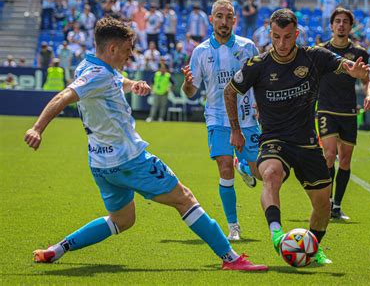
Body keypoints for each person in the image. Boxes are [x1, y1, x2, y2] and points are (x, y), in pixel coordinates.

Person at [24, 17, 267, 271]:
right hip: (131, 160)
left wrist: (134, 85)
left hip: (100, 164)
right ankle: (231, 258)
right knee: (185, 199)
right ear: (113, 49)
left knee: (122, 219)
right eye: (128, 51)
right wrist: (37, 128)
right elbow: (64, 96)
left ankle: (57, 249)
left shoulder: (90, 65)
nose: (130, 56)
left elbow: (116, 80)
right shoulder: (97, 75)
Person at [223, 9, 370, 264]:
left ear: (297, 34)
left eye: (288, 37)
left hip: (307, 142)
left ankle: (312, 248)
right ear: (270, 34)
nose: (281, 44)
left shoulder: (314, 56)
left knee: (323, 204)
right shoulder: (258, 65)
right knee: (271, 174)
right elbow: (230, 91)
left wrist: (356, 73)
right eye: (276, 36)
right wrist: (236, 129)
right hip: (274, 138)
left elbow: (346, 66)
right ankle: (277, 233)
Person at [181, 0, 260, 241]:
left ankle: (244, 165)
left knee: (262, 172)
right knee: (224, 168)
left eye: (228, 17)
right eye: (219, 16)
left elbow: (259, 80)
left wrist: (260, 105)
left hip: (247, 119)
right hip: (217, 118)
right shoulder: (201, 52)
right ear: (211, 19)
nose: (224, 21)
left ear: (234, 20)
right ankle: (233, 226)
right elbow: (191, 91)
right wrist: (186, 83)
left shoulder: (248, 47)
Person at [316, 8, 370, 220]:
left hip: (349, 110)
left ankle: (336, 206)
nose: (341, 25)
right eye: (337, 21)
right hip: (326, 109)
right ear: (331, 26)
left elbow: (367, 80)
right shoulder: (320, 51)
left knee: (346, 160)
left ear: (350, 27)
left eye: (345, 22)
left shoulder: (360, 53)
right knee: (329, 154)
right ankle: (324, 202)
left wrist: (369, 96)